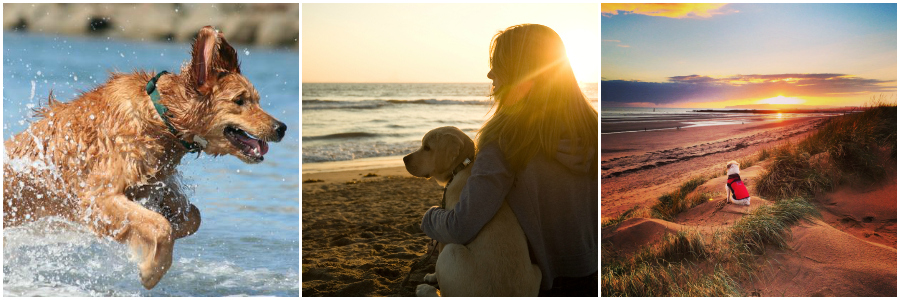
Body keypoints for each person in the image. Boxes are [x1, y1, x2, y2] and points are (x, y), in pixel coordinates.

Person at [420, 24, 598, 296]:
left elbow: (462, 226)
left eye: (498, 64)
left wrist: (430, 218)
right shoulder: (592, 128)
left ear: (521, 72)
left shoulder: (506, 139)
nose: (490, 73)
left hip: (543, 284)